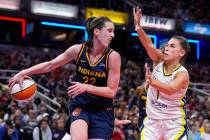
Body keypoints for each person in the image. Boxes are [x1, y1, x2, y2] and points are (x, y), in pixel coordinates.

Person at [8, 16, 121, 140]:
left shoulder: (113, 57)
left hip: (102, 110)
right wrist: (23, 72)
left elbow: (111, 92)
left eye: (113, 31)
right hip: (80, 105)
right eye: (109, 31)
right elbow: (50, 65)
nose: (113, 35)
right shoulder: (77, 50)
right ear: (96, 31)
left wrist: (86, 87)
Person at [133, 6, 190, 140]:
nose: (167, 48)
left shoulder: (182, 74)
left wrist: (151, 81)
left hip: (174, 123)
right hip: (152, 122)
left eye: (172, 46)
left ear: (181, 53)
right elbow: (149, 44)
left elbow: (170, 89)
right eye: (167, 45)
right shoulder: (158, 59)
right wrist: (139, 28)